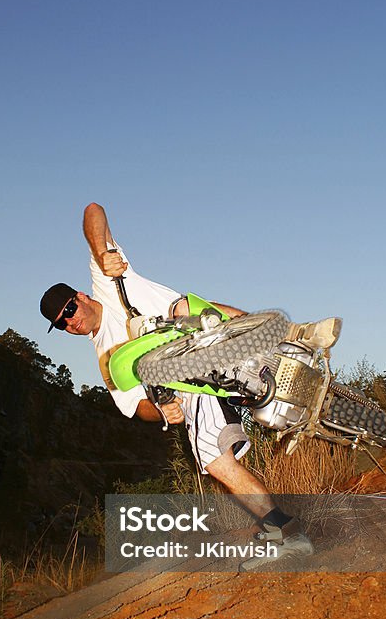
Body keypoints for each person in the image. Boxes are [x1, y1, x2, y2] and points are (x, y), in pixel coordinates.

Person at [40, 203, 341, 555]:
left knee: (181, 308)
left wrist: (101, 251)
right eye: (62, 324)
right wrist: (162, 411)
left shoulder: (108, 281)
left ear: (82, 297)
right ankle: (288, 532)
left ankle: (295, 334)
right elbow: (135, 407)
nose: (70, 322)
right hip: (192, 387)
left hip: (204, 335)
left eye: (70, 311)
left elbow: (93, 212)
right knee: (214, 461)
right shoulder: (106, 359)